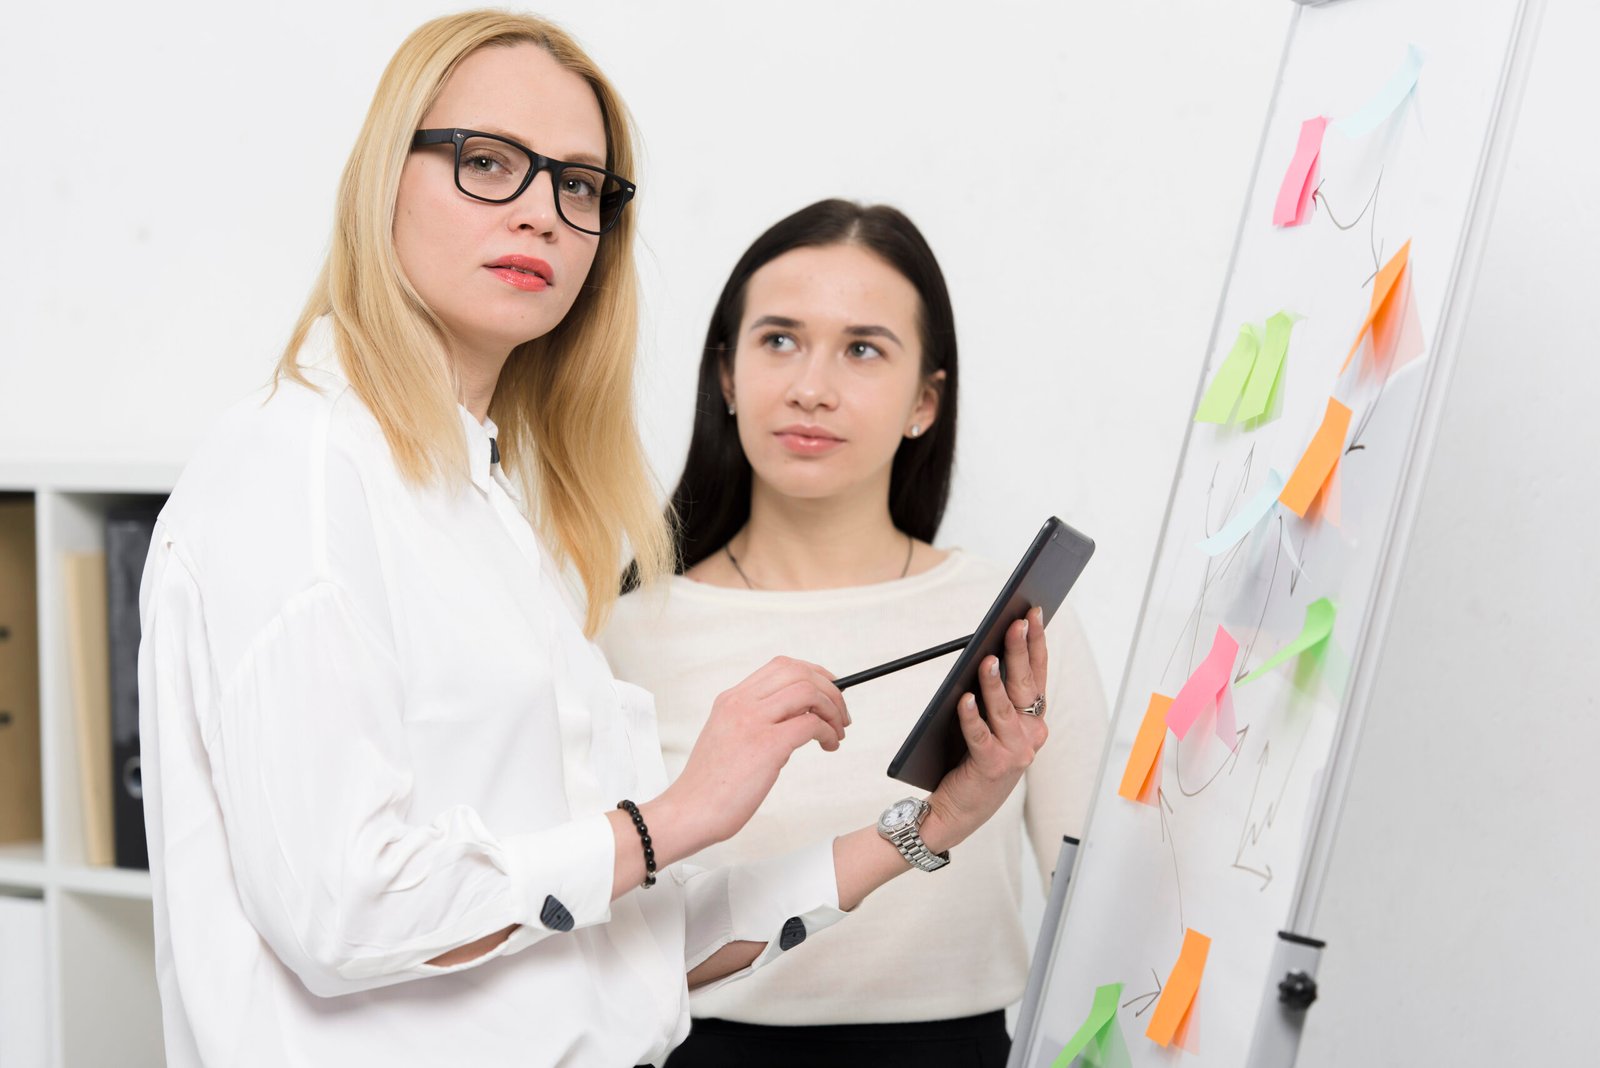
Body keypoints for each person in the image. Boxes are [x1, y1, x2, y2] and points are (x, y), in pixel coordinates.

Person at [138, 13, 1050, 1068]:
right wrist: (676, 816)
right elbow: (344, 912)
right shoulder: (296, 471)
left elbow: (616, 954)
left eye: (579, 185)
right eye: (487, 161)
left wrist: (930, 826)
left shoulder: (485, 508)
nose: (541, 213)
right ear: (382, 179)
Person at [601, 199, 1109, 1066]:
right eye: (779, 340)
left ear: (925, 402)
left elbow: (1101, 911)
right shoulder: (625, 634)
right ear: (727, 377)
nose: (812, 387)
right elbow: (598, 952)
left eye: (863, 349)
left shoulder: (1008, 620)